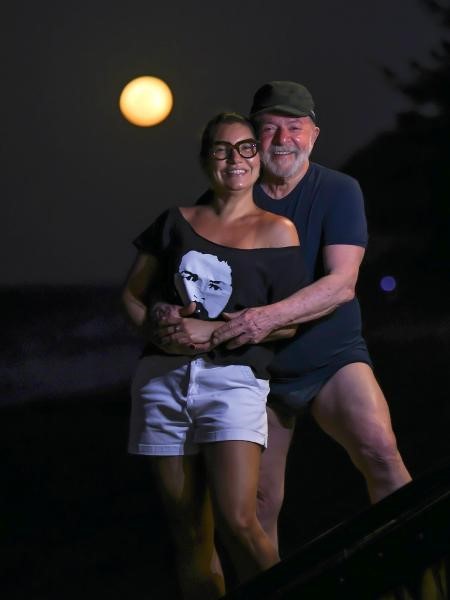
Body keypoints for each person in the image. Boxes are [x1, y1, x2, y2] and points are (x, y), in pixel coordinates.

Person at [155, 81, 412, 553]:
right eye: (269, 129)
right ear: (251, 139)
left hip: (331, 357)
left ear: (314, 135)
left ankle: (421, 570)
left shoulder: (339, 191)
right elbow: (191, 282)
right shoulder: (222, 198)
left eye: (295, 127)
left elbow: (342, 284)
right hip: (256, 371)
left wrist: (263, 319)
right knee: (258, 504)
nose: (283, 139)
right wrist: (168, 310)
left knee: (380, 450)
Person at [122, 112, 308, 598]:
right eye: (222, 149)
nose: (235, 159)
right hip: (161, 382)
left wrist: (221, 331)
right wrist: (156, 326)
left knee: (240, 521)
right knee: (189, 536)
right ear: (206, 159)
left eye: (246, 148)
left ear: (258, 158)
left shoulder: (278, 231)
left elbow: (291, 320)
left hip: (234, 382)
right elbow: (132, 296)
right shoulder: (175, 221)